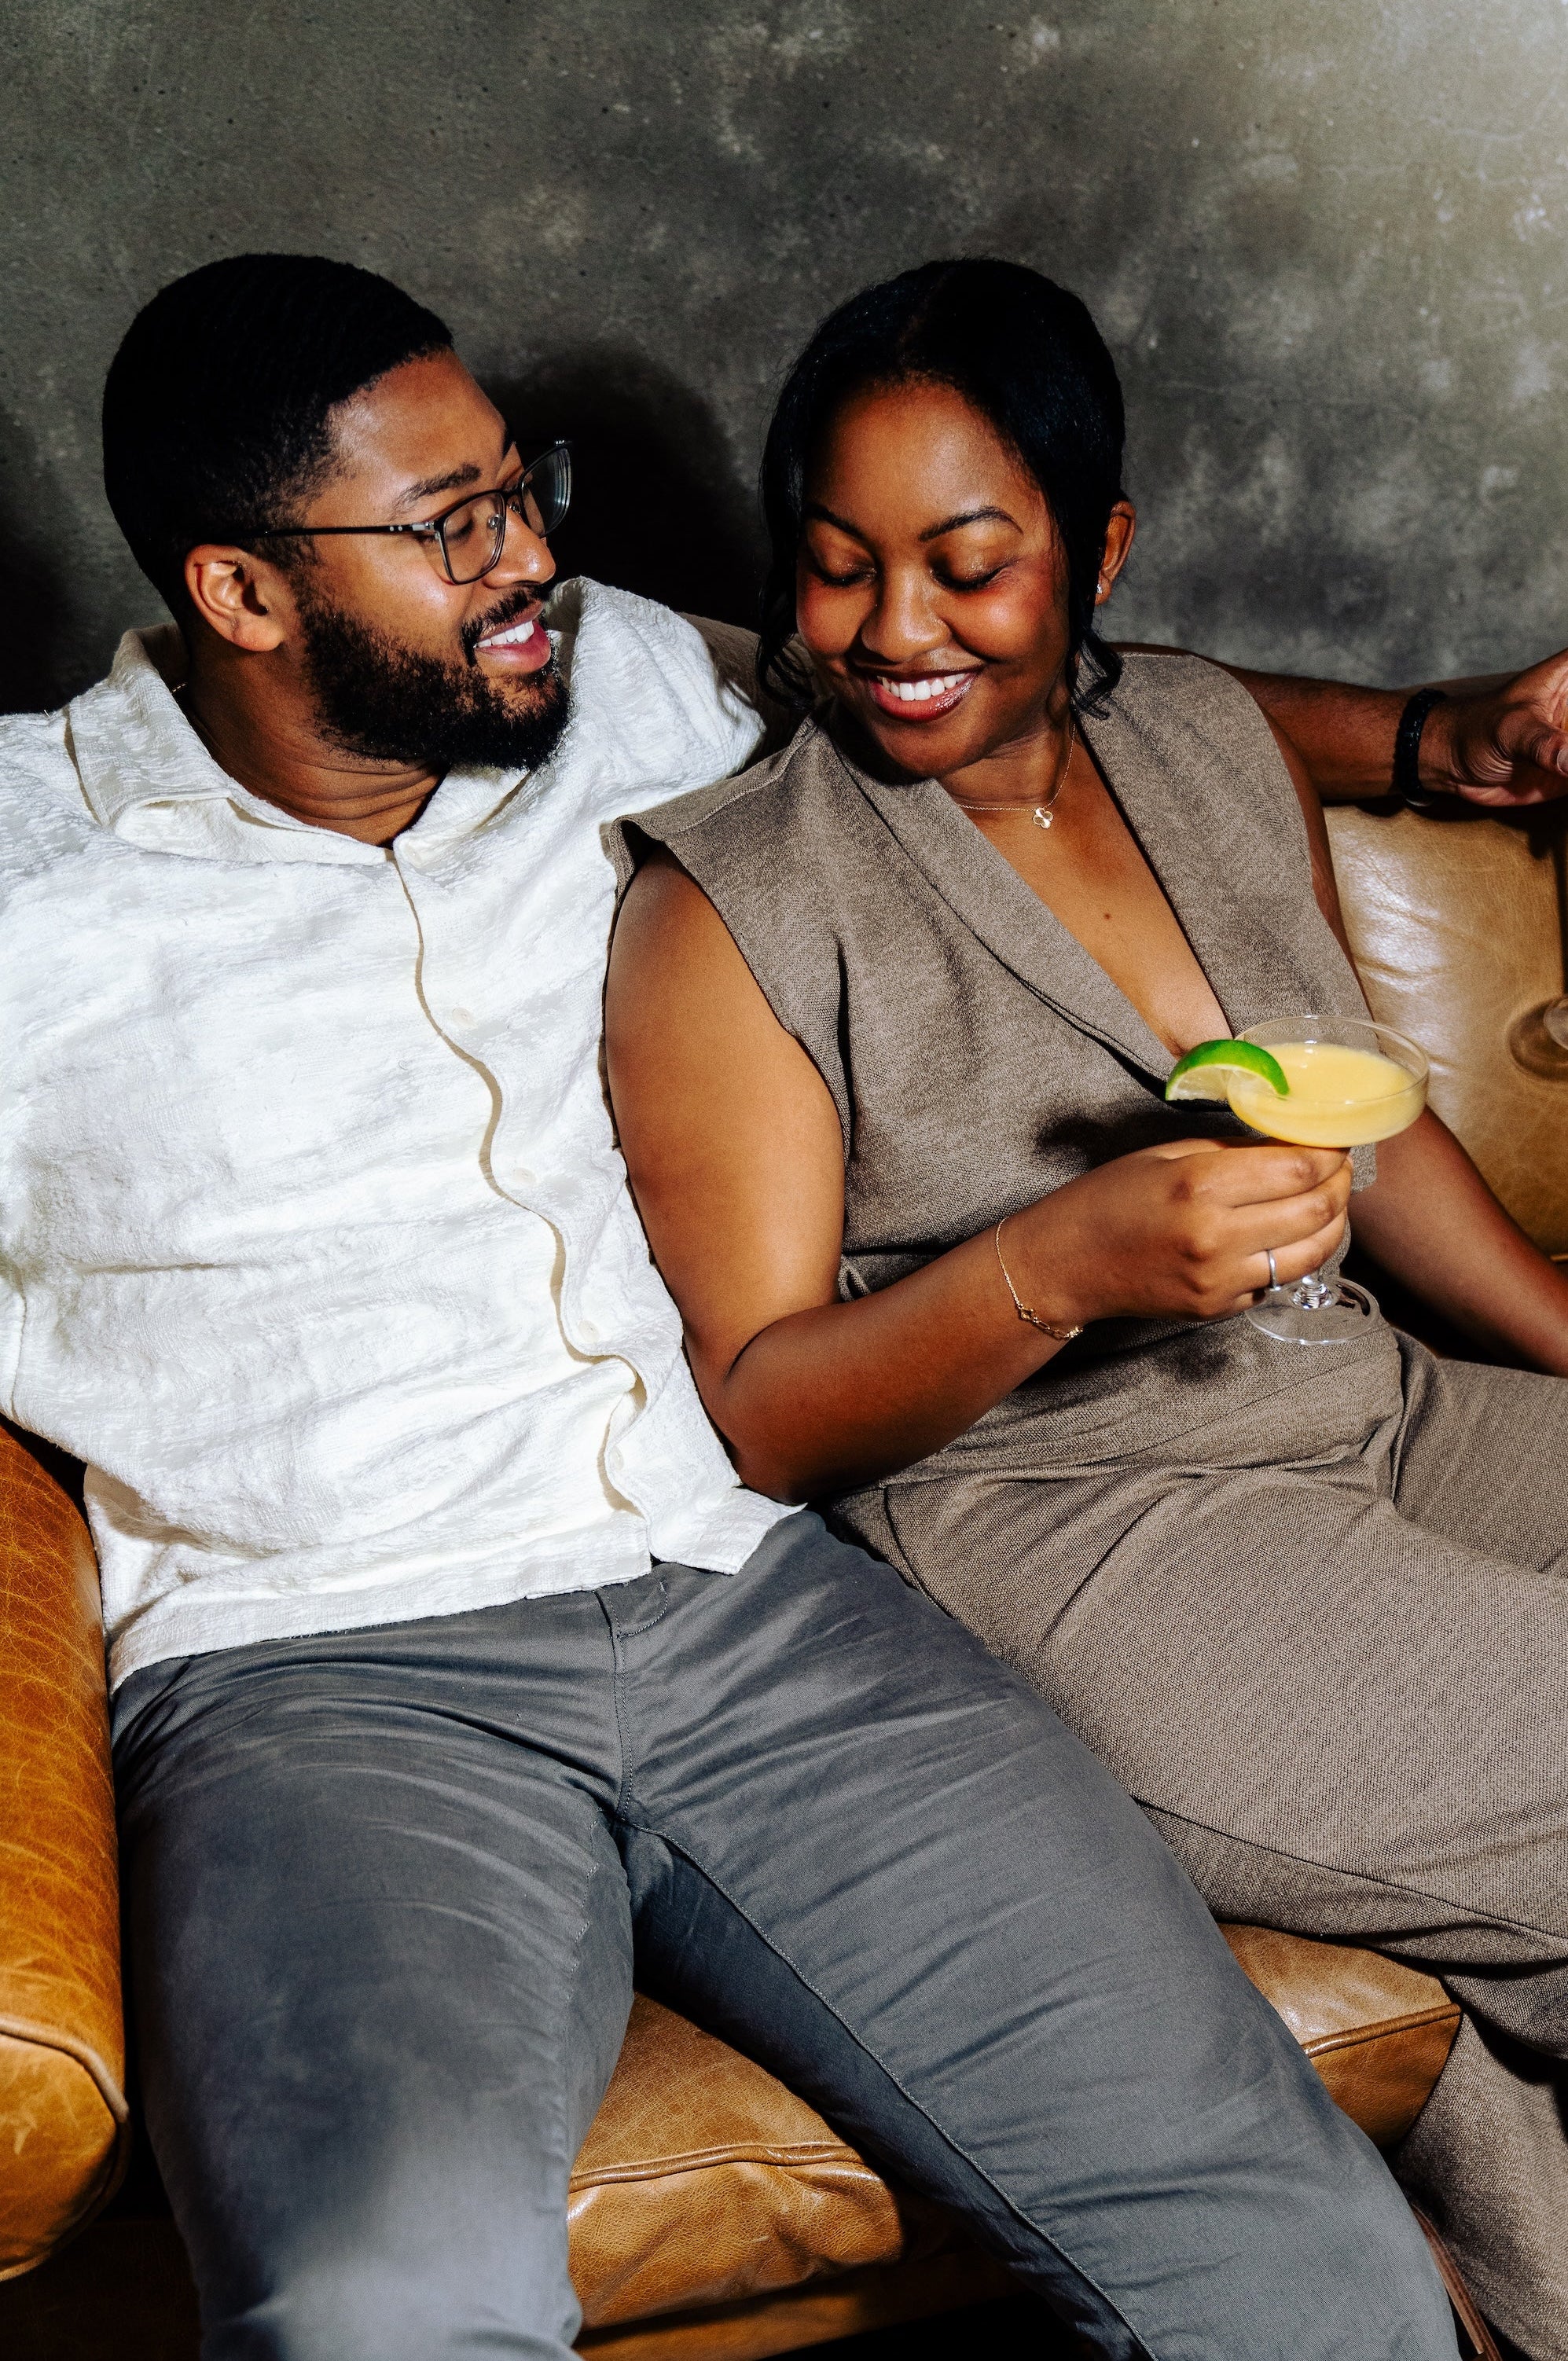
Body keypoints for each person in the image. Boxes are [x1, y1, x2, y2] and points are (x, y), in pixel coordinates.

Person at [2, 252, 1556, 2361]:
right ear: (243, 591)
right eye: (452, 529)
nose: (529, 562)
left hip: (765, 1608)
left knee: (1299, 2263)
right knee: (381, 2304)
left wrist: (1425, 736)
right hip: (327, 1683)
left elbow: (1021, 689)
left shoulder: (623, 680)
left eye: (522, 490)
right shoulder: (29, 882)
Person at [604, 258, 1568, 2361]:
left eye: (968, 565)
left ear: (1098, 549)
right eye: (837, 565)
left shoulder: (1204, 737)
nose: (896, 629)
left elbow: (1360, 1102)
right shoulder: (734, 898)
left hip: (1372, 1406)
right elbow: (760, 1408)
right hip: (1085, 1531)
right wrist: (1059, 1263)